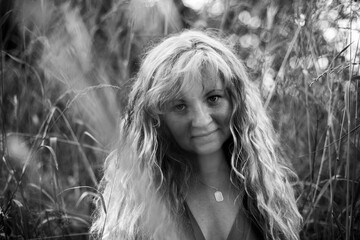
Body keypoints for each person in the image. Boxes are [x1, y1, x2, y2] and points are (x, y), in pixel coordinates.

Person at [91, 30, 302, 240]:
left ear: (236, 102)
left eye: (213, 98)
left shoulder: (262, 188)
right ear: (158, 119)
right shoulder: (140, 201)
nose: (201, 121)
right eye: (180, 106)